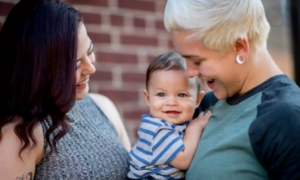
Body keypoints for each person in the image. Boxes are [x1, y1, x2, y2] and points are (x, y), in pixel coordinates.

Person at [164, 0, 300, 179]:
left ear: (239, 47)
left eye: (197, 61)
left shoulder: (288, 117)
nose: (190, 73)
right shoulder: (206, 105)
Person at [0, 0, 130, 179]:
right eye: (75, 65)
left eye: (90, 50)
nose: (91, 68)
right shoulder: (23, 136)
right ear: (39, 70)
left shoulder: (103, 107)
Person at [127, 52, 211, 179]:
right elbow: (183, 161)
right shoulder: (155, 130)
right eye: (161, 94)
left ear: (198, 100)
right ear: (148, 98)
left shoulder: (175, 125)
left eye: (182, 95)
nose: (171, 102)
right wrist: (195, 128)